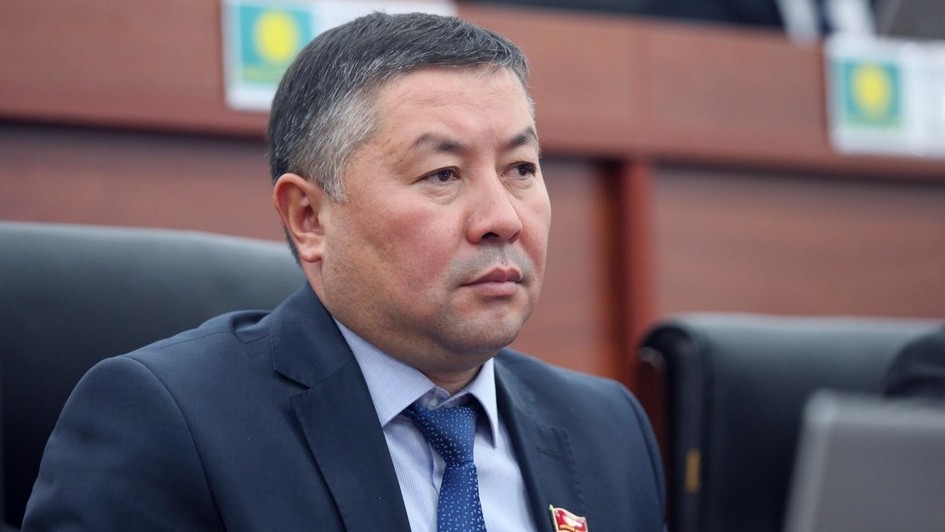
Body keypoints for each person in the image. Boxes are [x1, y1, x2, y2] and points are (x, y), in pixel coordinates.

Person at [22, 12, 665, 532]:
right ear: (309, 218)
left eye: (521, 169)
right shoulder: (169, 425)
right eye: (443, 174)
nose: (502, 218)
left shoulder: (607, 428)